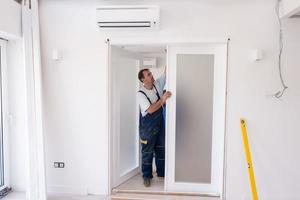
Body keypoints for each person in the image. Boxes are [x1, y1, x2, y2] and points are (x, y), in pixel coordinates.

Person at [137, 68, 172, 187]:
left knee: (161, 149)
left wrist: (169, 51)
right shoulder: (140, 94)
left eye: (151, 73)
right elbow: (151, 109)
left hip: (159, 124)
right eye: (148, 75)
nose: (152, 75)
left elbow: (166, 72)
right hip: (147, 128)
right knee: (147, 152)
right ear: (143, 79)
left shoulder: (157, 84)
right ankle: (146, 176)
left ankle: (161, 173)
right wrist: (163, 99)